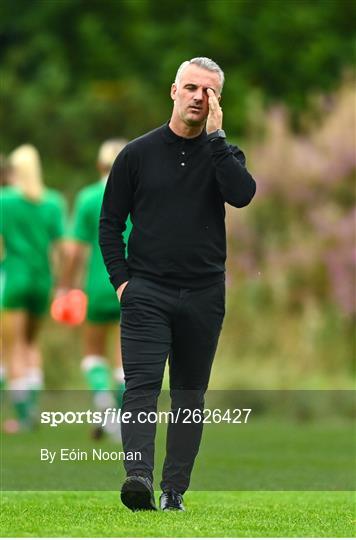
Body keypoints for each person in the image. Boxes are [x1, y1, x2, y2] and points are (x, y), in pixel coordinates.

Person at [99, 57, 256, 511]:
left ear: (217, 102)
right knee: (142, 388)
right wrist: (122, 283)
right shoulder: (137, 154)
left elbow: (241, 194)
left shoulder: (223, 153)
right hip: (146, 290)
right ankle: (139, 479)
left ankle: (174, 491)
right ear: (173, 91)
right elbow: (110, 225)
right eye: (190, 88)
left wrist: (217, 140)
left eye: (207, 92)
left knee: (189, 394)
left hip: (205, 294)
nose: (197, 97)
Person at [58, 139, 132, 439]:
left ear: (100, 165)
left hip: (97, 286)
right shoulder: (138, 194)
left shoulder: (89, 198)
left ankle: (105, 411)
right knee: (125, 357)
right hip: (133, 284)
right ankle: (120, 415)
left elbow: (74, 252)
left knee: (92, 353)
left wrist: (64, 285)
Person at [1, 145, 66, 432]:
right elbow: (62, 247)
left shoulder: (5, 201)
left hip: (15, 278)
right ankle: (34, 408)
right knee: (31, 344)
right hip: (43, 280)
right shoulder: (53, 202)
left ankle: (23, 416)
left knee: (12, 347)